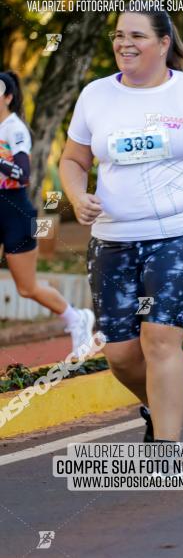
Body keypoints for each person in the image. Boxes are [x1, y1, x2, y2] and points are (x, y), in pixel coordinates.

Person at [59, 7, 183, 443]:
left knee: (160, 337)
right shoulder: (95, 96)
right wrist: (75, 195)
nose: (124, 43)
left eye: (136, 35)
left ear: (164, 43)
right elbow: (73, 160)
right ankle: (157, 404)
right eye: (118, 34)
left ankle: (167, 448)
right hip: (113, 241)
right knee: (121, 354)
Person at [0, 70, 94, 352]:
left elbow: (23, 173)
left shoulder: (14, 129)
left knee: (26, 288)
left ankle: (76, 318)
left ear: (8, 97)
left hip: (15, 211)